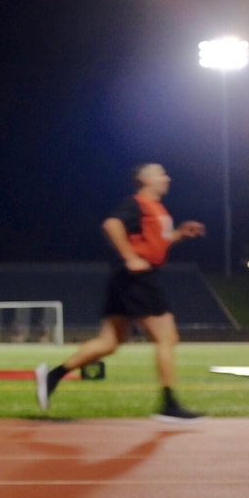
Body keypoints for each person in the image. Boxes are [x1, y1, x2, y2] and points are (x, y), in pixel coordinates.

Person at [35, 163, 206, 421]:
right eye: (161, 173)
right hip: (137, 276)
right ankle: (169, 404)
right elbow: (111, 224)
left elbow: (157, 242)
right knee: (166, 337)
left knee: (109, 343)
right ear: (145, 179)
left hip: (127, 277)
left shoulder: (158, 209)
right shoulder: (136, 203)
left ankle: (53, 375)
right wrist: (130, 257)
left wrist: (180, 234)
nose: (166, 177)